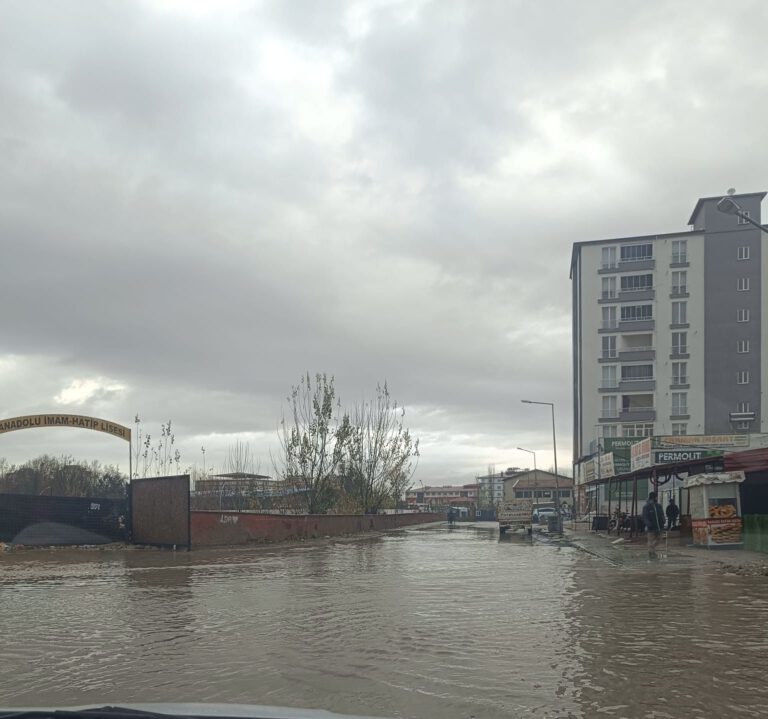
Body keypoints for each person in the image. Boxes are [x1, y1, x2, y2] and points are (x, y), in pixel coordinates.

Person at [642, 491, 665, 559]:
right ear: (653, 498)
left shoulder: (659, 506)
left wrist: (663, 520)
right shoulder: (646, 507)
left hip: (660, 527)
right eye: (656, 497)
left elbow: (662, 514)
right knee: (650, 540)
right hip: (651, 528)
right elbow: (644, 517)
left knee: (659, 539)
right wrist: (648, 524)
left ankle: (652, 548)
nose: (657, 498)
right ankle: (651, 553)